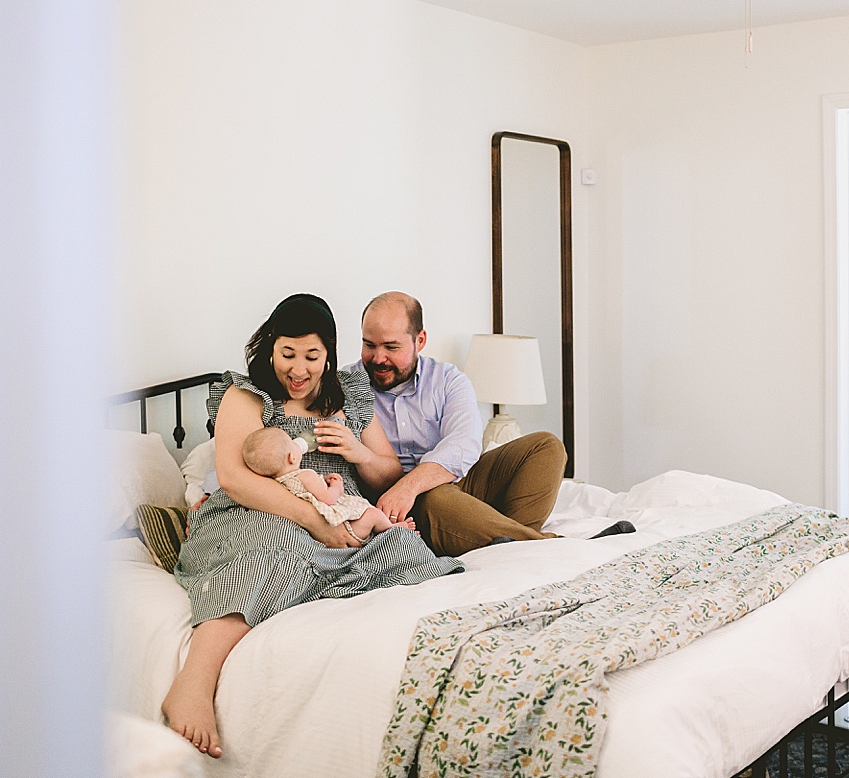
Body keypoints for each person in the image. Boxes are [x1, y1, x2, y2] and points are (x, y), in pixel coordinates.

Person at [162, 294, 462, 758]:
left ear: (329, 354)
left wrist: (356, 453)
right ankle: (192, 684)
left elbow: (386, 474)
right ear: (270, 349)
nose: (298, 370)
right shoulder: (245, 394)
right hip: (259, 511)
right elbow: (234, 479)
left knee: (403, 550)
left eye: (312, 356)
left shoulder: (348, 396)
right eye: (287, 354)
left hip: (336, 509)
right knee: (275, 545)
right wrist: (310, 518)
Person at [350, 291, 634, 556]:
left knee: (547, 446)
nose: (378, 358)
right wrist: (407, 491)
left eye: (391, 347)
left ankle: (502, 540)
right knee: (437, 498)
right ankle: (557, 549)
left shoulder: (448, 380)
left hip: (458, 484)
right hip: (412, 508)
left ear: (420, 340)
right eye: (369, 345)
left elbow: (465, 443)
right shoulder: (346, 387)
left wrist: (409, 486)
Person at [239, 425, 404, 544]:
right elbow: (327, 499)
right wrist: (336, 488)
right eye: (292, 442)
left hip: (318, 536)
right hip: (347, 529)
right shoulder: (306, 475)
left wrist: (322, 481)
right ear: (292, 458)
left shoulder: (278, 484)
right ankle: (393, 529)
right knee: (373, 514)